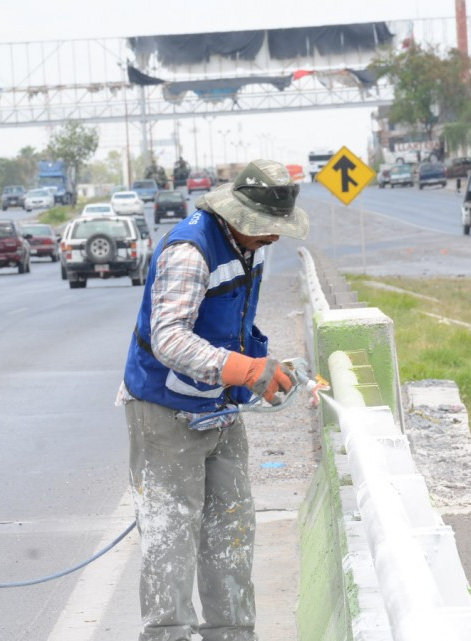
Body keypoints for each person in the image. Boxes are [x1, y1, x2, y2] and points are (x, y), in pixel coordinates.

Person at [120, 159, 309, 641]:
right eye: (266, 228)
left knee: (232, 531)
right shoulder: (190, 250)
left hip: (219, 407)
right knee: (171, 538)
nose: (273, 237)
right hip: (165, 410)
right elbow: (169, 339)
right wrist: (246, 371)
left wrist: (265, 368)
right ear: (238, 215)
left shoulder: (253, 248)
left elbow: (236, 326)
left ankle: (232, 633)